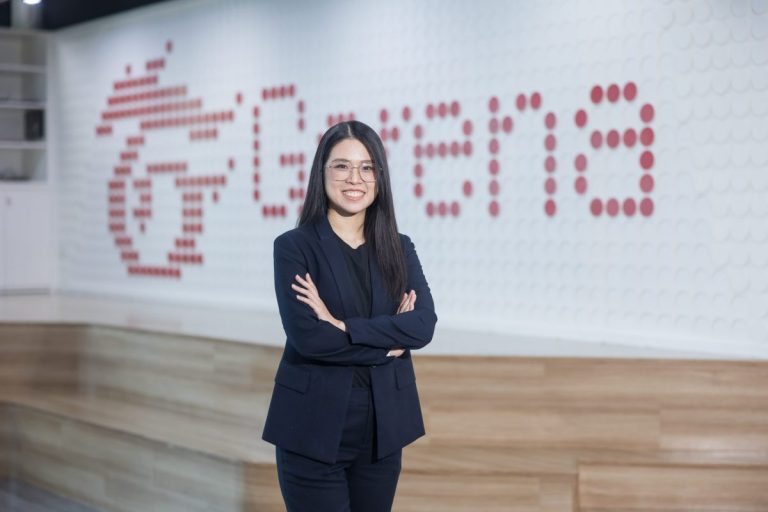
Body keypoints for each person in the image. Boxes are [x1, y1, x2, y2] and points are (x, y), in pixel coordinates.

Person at [261, 120, 438, 511]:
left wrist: (342, 326)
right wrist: (388, 342)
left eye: (367, 167)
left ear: (379, 177)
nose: (355, 178)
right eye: (342, 166)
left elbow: (423, 326)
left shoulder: (399, 248)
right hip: (312, 429)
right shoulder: (294, 247)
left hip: (382, 432)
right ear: (321, 173)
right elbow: (311, 338)